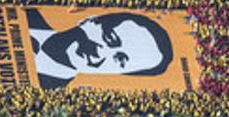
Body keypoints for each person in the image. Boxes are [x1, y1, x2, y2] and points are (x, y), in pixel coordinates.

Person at [25, 9, 174, 89]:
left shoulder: (46, 89)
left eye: (120, 60)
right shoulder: (26, 15)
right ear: (90, 20)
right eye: (110, 38)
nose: (100, 53)